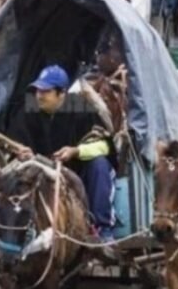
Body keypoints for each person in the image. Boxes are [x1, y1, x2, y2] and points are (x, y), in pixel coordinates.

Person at [9, 65, 118, 241]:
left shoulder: (81, 108)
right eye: (37, 90)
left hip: (79, 174)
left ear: (62, 94)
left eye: (46, 91)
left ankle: (103, 229)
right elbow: (12, 143)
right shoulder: (27, 111)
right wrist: (20, 152)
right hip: (39, 175)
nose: (39, 95)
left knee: (100, 165)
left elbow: (105, 146)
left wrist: (76, 151)